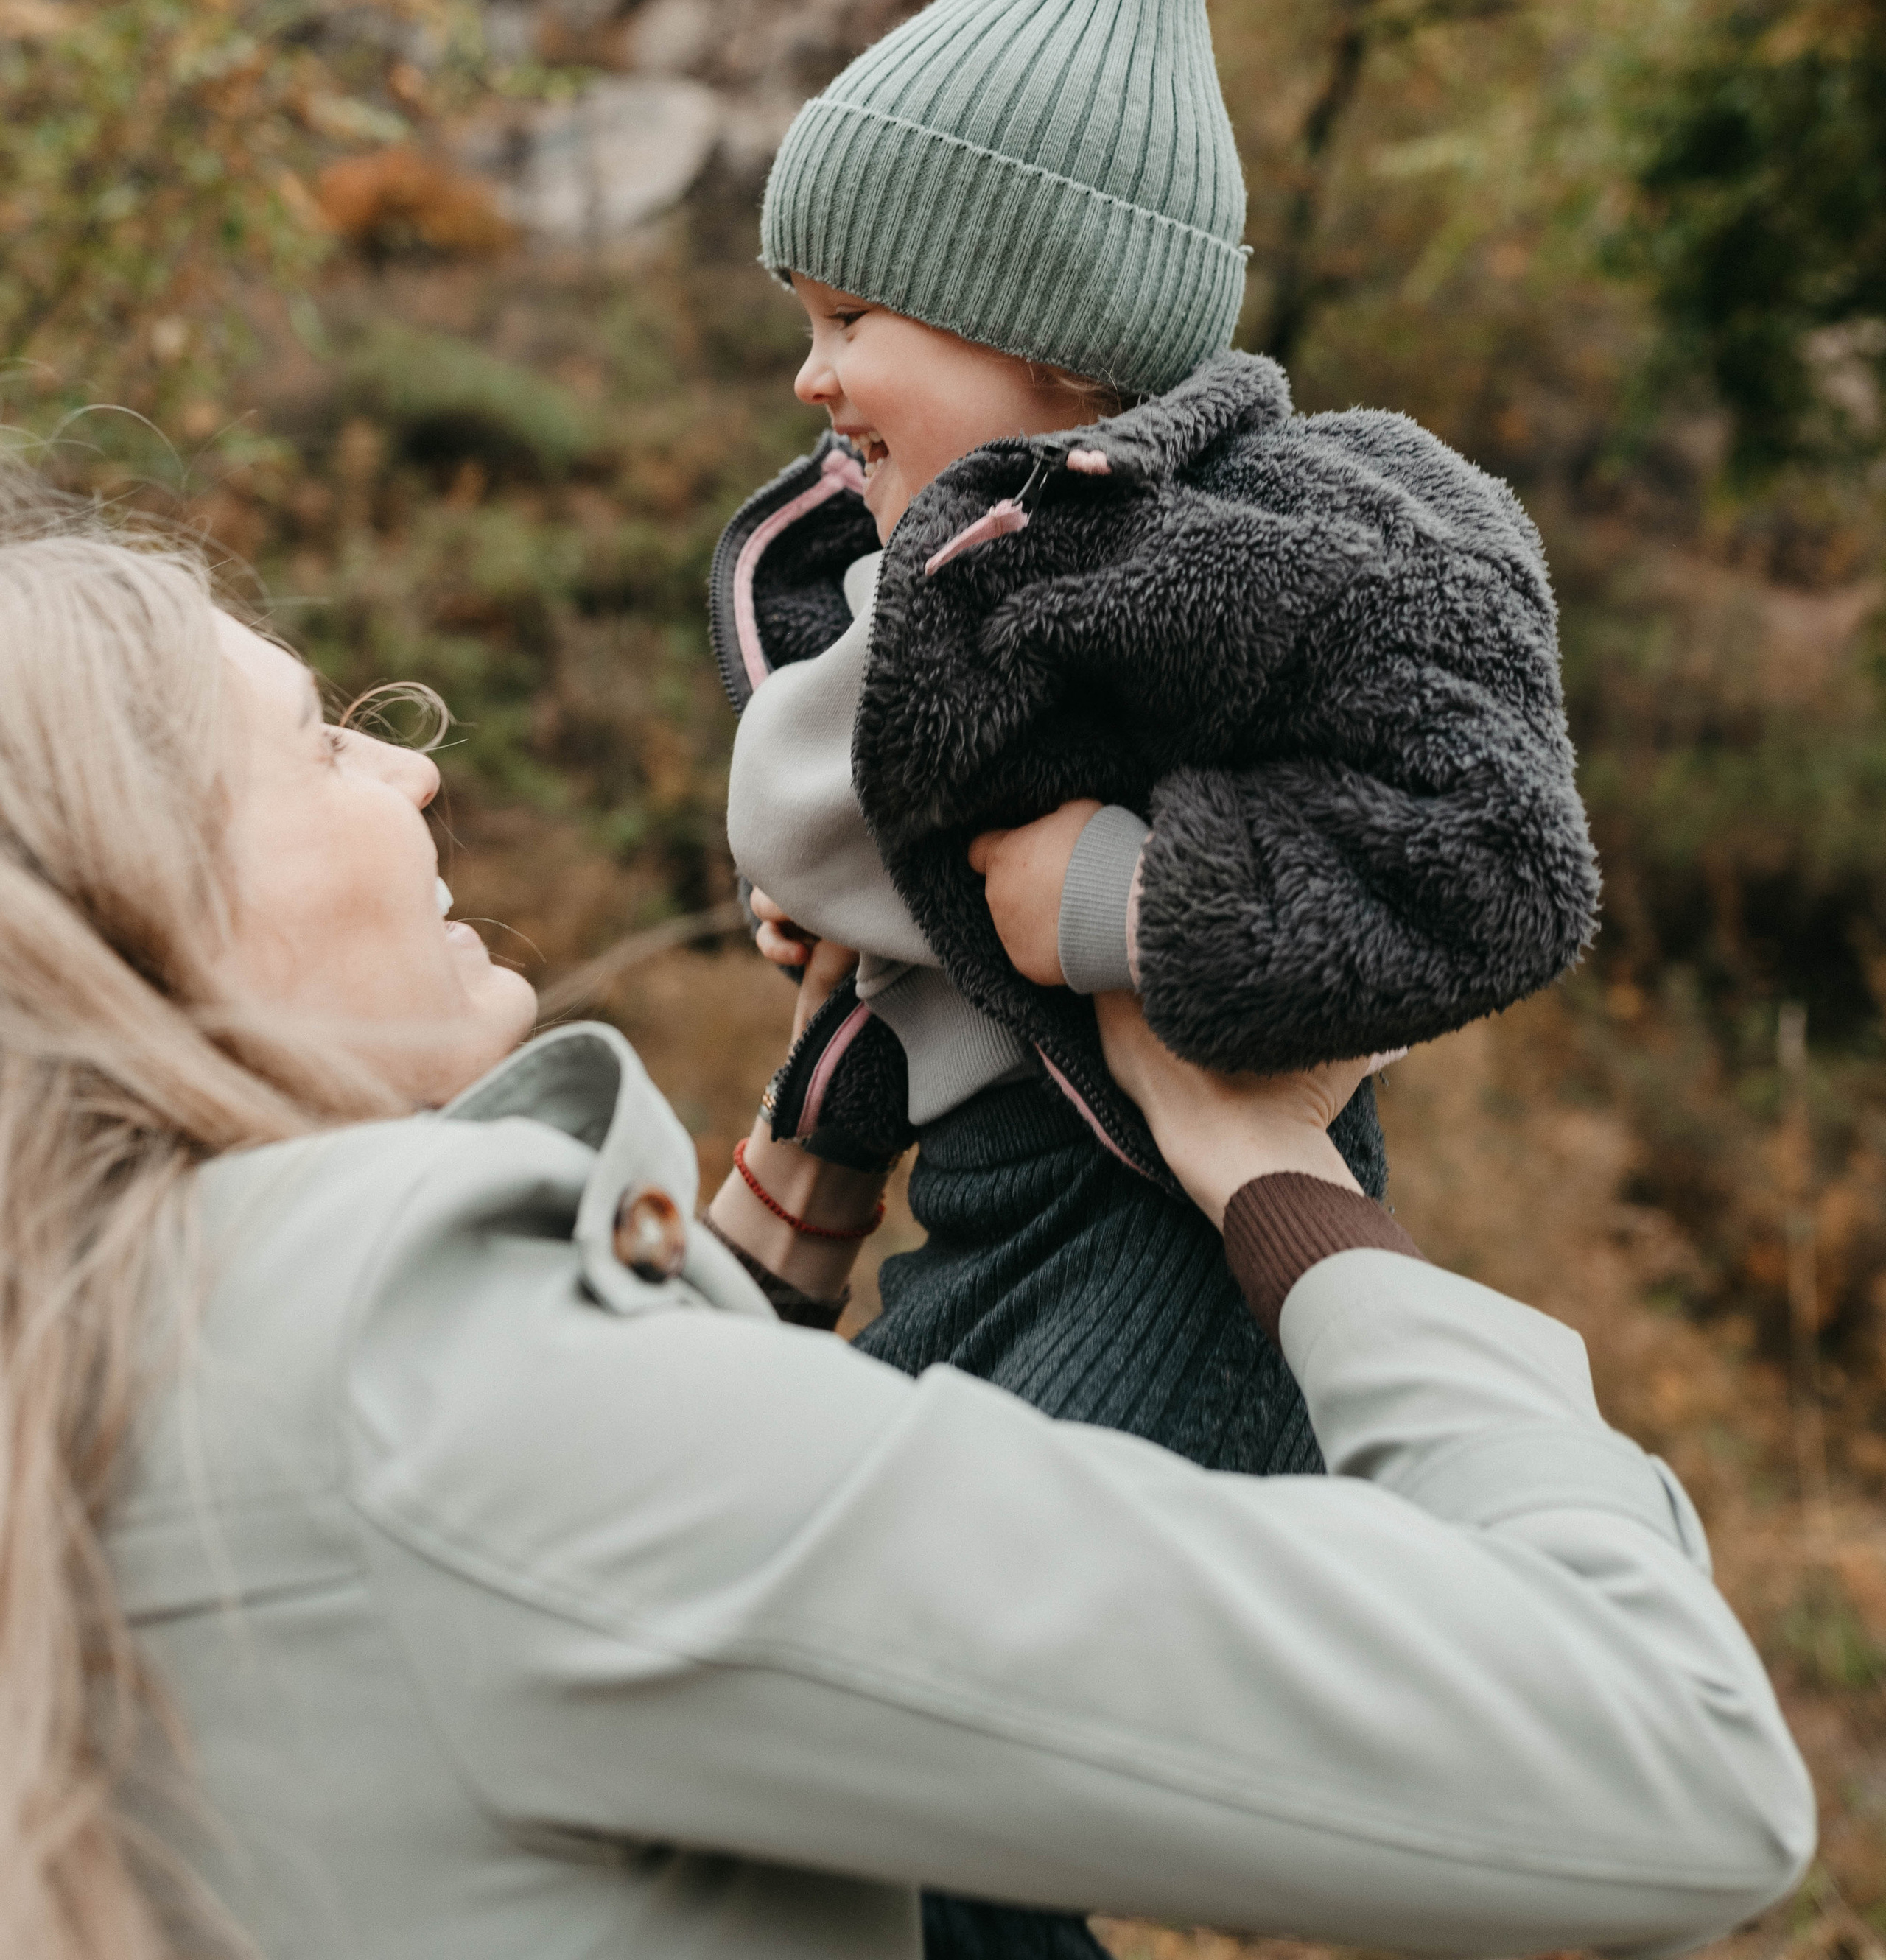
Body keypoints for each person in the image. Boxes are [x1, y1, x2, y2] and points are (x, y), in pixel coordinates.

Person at [0, 469, 1813, 1959]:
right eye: (321, 746)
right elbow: (1659, 1757)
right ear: (134, 900)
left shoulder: (104, 1359)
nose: (413, 769)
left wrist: (783, 1210)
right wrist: (1287, 1190)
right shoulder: (409, 1384)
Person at [712, 0, 1602, 1950]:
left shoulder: (1282, 540)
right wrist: (869, 923)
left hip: (1175, 1245)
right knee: (822, 1714)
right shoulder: (919, 556)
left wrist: (1126, 894)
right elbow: (893, 844)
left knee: (962, 1756)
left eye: (854, 317)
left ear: (1053, 333)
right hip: (975, 1221)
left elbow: (1498, 861)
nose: (811, 376)